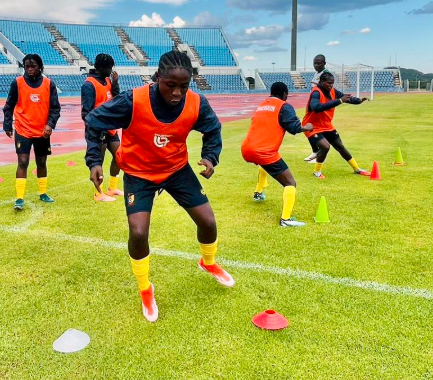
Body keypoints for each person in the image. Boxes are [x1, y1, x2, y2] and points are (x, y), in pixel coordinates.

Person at [85, 51, 233, 323]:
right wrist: (94, 160)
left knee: (208, 221)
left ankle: (208, 262)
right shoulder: (133, 100)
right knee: (138, 232)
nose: (177, 93)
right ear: (157, 78)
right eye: (170, 85)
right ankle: (145, 289)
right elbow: (94, 120)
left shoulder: (196, 103)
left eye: (183, 86)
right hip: (139, 173)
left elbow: (213, 129)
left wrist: (210, 157)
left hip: (176, 170)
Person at [241, 82, 314, 227]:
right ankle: (285, 220)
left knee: (264, 165)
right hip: (264, 151)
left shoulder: (262, 105)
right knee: (290, 183)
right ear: (285, 94)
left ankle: (258, 192)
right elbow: (294, 128)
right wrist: (307, 127)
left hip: (247, 148)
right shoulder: (284, 106)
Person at [2, 54, 61, 210]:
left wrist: (50, 124)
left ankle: (43, 193)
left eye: (33, 66)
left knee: (41, 162)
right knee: (22, 162)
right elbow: (9, 106)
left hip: (42, 132)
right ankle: (19, 198)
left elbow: (55, 108)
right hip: (23, 130)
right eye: (26, 66)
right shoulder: (17, 83)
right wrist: (7, 125)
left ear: (40, 67)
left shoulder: (49, 84)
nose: (29, 69)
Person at [303, 72, 369, 179]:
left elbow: (345, 98)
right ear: (321, 82)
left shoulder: (332, 91)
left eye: (332, 83)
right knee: (325, 146)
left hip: (326, 125)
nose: (331, 85)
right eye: (328, 83)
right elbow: (316, 107)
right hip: (311, 126)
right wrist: (339, 101)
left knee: (340, 146)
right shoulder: (316, 92)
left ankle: (357, 169)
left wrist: (358, 101)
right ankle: (317, 172)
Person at [81, 53, 121, 202]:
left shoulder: (108, 80)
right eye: (108, 68)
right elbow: (86, 113)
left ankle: (112, 188)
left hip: (111, 127)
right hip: (98, 129)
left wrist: (115, 84)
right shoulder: (89, 84)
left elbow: (116, 99)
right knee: (99, 160)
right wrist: (97, 127)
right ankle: (98, 193)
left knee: (120, 155)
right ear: (99, 68)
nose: (111, 71)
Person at [304, 54, 328, 163]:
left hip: (319, 105)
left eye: (319, 63)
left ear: (324, 63)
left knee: (316, 128)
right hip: (312, 104)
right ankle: (315, 151)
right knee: (308, 128)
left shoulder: (325, 75)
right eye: (315, 63)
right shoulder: (317, 73)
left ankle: (321, 154)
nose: (316, 65)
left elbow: (326, 91)